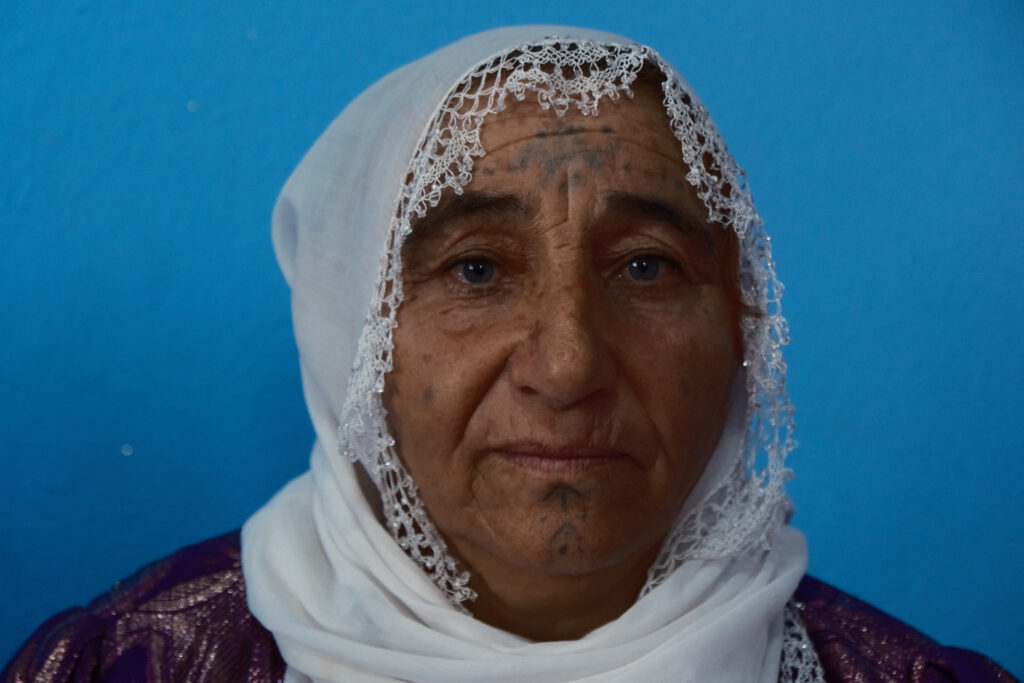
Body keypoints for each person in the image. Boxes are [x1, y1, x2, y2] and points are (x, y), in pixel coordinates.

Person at [3, 25, 1014, 683]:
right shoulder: (128, 662)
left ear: (744, 324)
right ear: (350, 327)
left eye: (648, 269)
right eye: (477, 271)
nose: (568, 365)